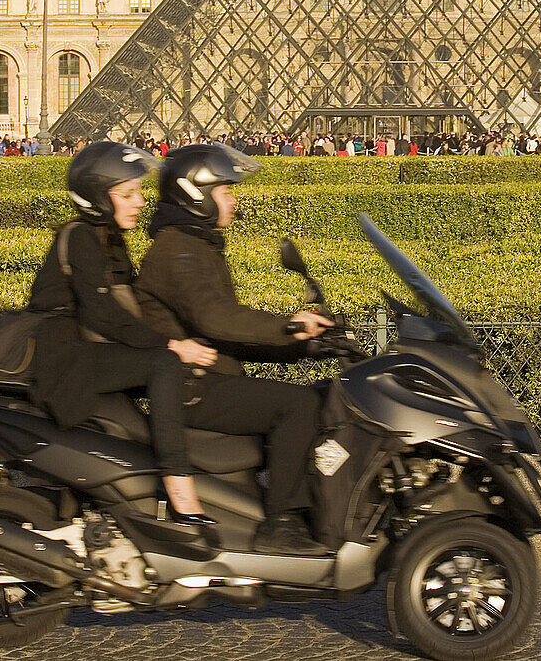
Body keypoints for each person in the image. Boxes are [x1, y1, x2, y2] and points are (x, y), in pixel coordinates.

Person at [134, 143, 333, 554]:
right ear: (197, 195)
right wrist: (288, 325)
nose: (234, 200)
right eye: (225, 192)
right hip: (192, 388)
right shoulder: (179, 251)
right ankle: (280, 524)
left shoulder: (193, 245)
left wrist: (302, 346)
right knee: (298, 406)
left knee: (323, 397)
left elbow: (225, 335)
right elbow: (217, 320)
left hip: (207, 379)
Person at [27, 142, 217, 525]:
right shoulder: (82, 237)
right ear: (98, 198)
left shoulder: (107, 239)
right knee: (163, 365)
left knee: (165, 363)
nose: (140, 202)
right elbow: (103, 315)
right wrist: (173, 345)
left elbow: (129, 309)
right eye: (128, 194)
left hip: (81, 353)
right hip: (64, 360)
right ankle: (178, 484)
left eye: (139, 192)